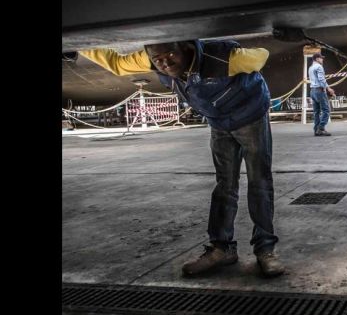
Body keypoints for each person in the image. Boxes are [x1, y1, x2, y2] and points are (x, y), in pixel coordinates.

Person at [80, 40, 286, 278]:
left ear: (187, 48)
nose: (165, 63)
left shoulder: (223, 57)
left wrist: (234, 61)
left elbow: (261, 55)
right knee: (225, 185)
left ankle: (265, 251)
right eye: (158, 59)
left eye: (170, 55)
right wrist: (75, 44)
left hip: (250, 116)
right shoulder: (154, 59)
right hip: (218, 122)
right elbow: (116, 64)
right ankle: (222, 249)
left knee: (259, 181)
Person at [307, 52, 335, 136]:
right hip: (319, 90)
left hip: (312, 91)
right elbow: (321, 79)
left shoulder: (310, 67)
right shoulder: (319, 67)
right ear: (317, 59)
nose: (322, 59)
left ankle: (316, 130)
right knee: (326, 110)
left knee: (316, 112)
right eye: (321, 58)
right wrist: (329, 89)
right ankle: (321, 128)